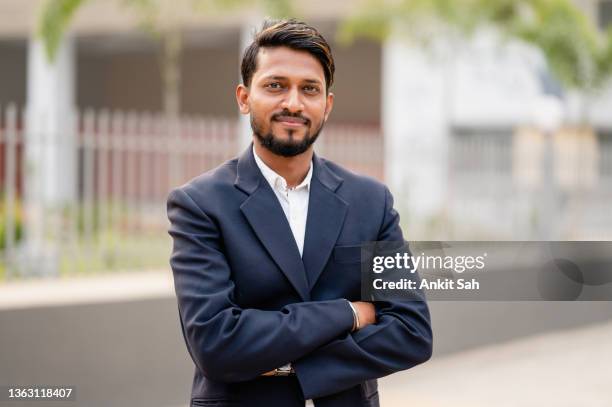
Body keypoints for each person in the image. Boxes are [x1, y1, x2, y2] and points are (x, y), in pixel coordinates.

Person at [167, 19, 432, 407]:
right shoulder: (200, 205)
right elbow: (216, 343)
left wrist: (289, 366)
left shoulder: (370, 202)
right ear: (244, 98)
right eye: (276, 85)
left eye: (309, 89)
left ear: (327, 104)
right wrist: (347, 313)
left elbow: (411, 332)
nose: (293, 102)